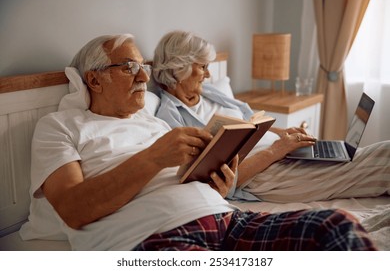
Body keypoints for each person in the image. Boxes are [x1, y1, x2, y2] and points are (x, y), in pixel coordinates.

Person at [20, 33, 377, 251]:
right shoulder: (60, 126)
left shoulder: (150, 122)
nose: (144, 75)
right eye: (129, 67)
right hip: (155, 240)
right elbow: (73, 210)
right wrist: (153, 158)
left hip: (228, 220)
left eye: (143, 65)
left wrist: (219, 184)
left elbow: (188, 176)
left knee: (337, 224)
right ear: (94, 81)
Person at [152, 30, 390, 203]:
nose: (208, 74)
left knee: (357, 157)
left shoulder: (211, 92)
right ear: (178, 68)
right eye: (202, 66)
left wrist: (282, 134)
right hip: (260, 174)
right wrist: (275, 150)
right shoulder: (170, 119)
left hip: (278, 153)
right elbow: (210, 181)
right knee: (383, 156)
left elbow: (251, 121)